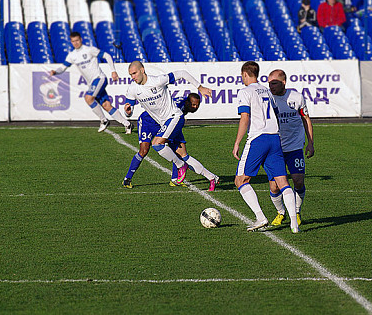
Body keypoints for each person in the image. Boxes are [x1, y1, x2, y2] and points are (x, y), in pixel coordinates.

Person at [233, 61, 299, 233]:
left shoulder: (245, 91)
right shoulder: (267, 92)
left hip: (258, 138)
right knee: (283, 182)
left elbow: (245, 117)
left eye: (242, 76)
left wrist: (237, 142)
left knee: (241, 180)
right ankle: (294, 222)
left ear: (245, 74)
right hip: (274, 138)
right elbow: (276, 115)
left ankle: (260, 217)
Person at [124, 61, 213, 186]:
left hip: (173, 117)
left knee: (160, 145)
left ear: (142, 70)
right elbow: (129, 110)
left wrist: (200, 87)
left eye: (134, 73)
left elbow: (182, 73)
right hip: (155, 122)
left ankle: (180, 170)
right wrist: (128, 111)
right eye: (130, 75)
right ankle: (205, 175)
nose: (133, 77)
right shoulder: (133, 89)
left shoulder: (158, 80)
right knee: (164, 150)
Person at [122, 93, 220, 191]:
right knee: (144, 150)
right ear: (187, 102)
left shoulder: (184, 104)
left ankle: (177, 179)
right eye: (193, 105)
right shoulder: (178, 108)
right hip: (148, 122)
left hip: (165, 123)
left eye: (197, 105)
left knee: (181, 154)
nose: (195, 107)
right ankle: (127, 179)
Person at [50, 32, 133, 133]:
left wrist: (113, 71)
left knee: (88, 98)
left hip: (99, 78)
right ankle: (127, 124)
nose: (75, 43)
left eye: (77, 40)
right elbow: (63, 67)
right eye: (73, 41)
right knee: (106, 105)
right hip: (92, 83)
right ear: (71, 42)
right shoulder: (72, 56)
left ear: (81, 39)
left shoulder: (89, 50)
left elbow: (107, 56)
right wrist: (55, 72)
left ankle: (104, 120)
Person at [266, 69, 314, 227]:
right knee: (274, 186)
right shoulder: (268, 98)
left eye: (274, 83)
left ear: (283, 82)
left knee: (298, 181)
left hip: (295, 147)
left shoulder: (297, 97)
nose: (270, 86)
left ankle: (297, 211)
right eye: (269, 83)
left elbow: (306, 119)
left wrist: (310, 143)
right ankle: (281, 212)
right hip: (275, 148)